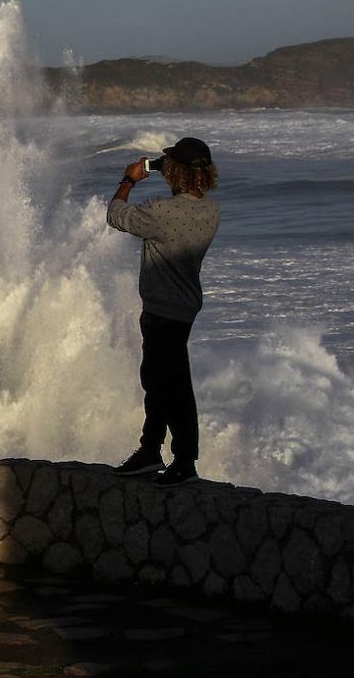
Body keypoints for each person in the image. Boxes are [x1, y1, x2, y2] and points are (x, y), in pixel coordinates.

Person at [107, 137, 220, 488]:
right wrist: (172, 176)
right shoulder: (210, 212)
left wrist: (129, 180)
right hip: (184, 308)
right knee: (159, 380)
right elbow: (182, 207)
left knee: (172, 386)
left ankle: (184, 461)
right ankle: (150, 450)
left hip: (160, 311)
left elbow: (115, 214)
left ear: (175, 172)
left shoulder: (161, 212)